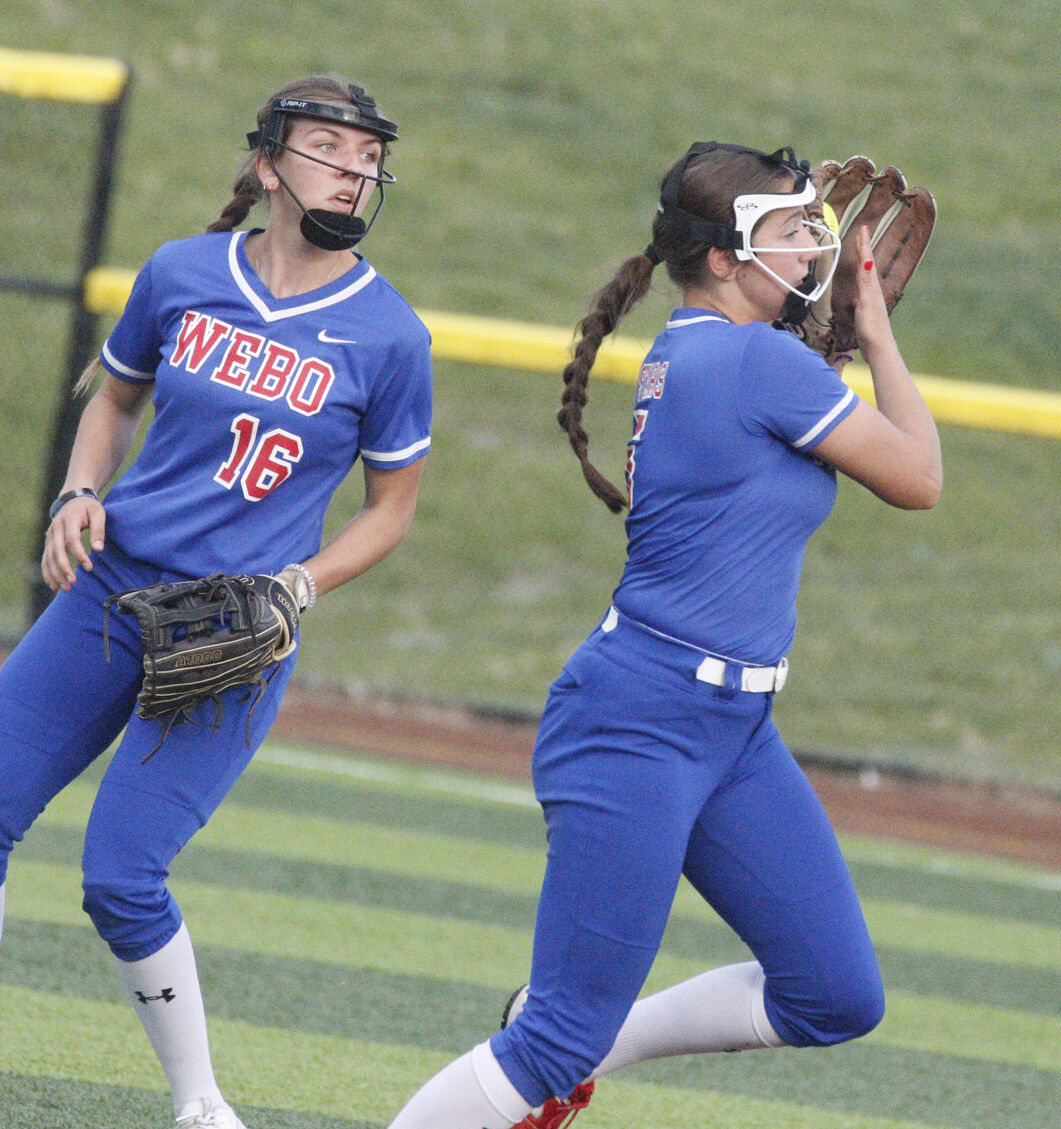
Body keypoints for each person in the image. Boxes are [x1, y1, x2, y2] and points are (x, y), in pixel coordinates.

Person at [0, 75, 433, 1129]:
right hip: (108, 597)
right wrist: (79, 490)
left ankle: (203, 1107)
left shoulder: (391, 335)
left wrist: (300, 584)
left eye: (367, 154)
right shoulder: (179, 273)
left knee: (123, 879)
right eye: (328, 147)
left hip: (232, 630)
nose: (356, 168)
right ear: (267, 165)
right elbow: (114, 394)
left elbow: (391, 510)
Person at [385, 140, 941, 1129]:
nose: (820, 243)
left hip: (729, 729)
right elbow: (918, 478)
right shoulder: (752, 358)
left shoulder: (707, 348)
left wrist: (836, 332)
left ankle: (599, 1038)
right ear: (723, 260)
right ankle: (567, 1043)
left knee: (834, 993)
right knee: (554, 1036)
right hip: (640, 717)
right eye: (792, 230)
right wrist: (877, 334)